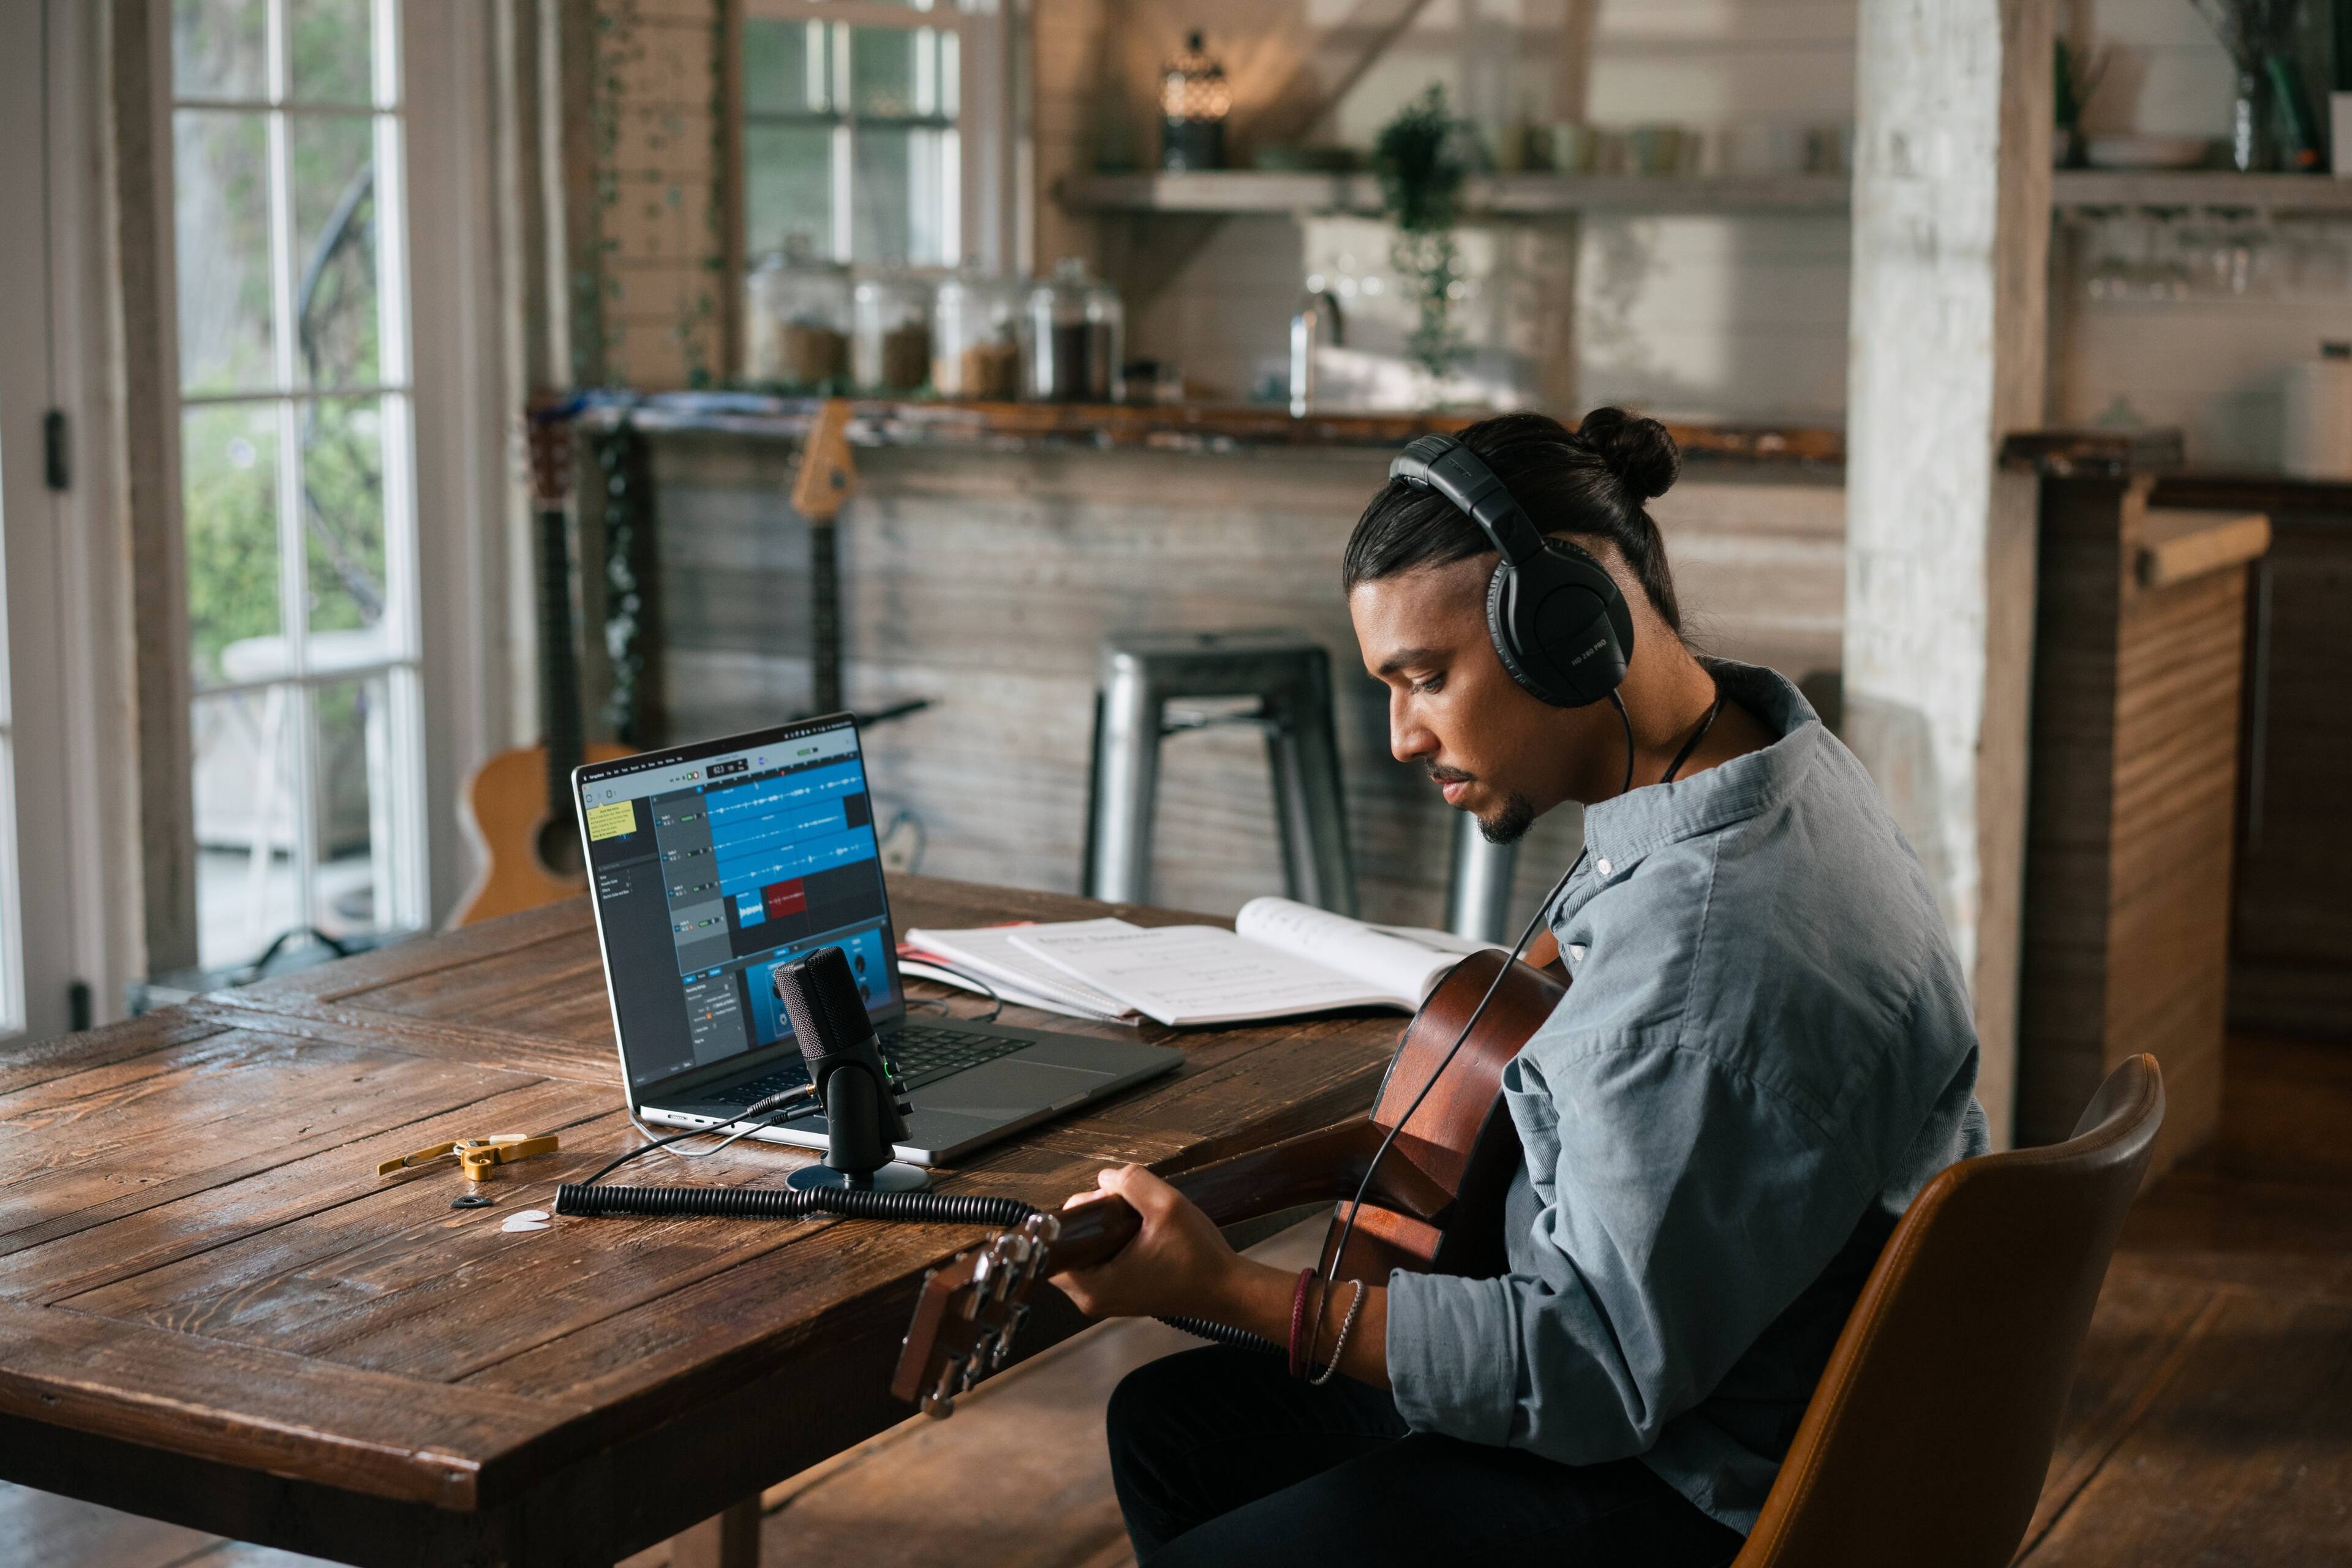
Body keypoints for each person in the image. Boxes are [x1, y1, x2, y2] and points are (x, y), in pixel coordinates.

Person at [1049, 409, 1989, 1566]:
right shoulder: (1781, 762)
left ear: (1569, 629)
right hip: (1764, 1380)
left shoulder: (1692, 970)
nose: (1402, 737)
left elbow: (1580, 1372)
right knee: (1174, 1427)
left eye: (1427, 678)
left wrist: (1233, 1289)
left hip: (1692, 1486)